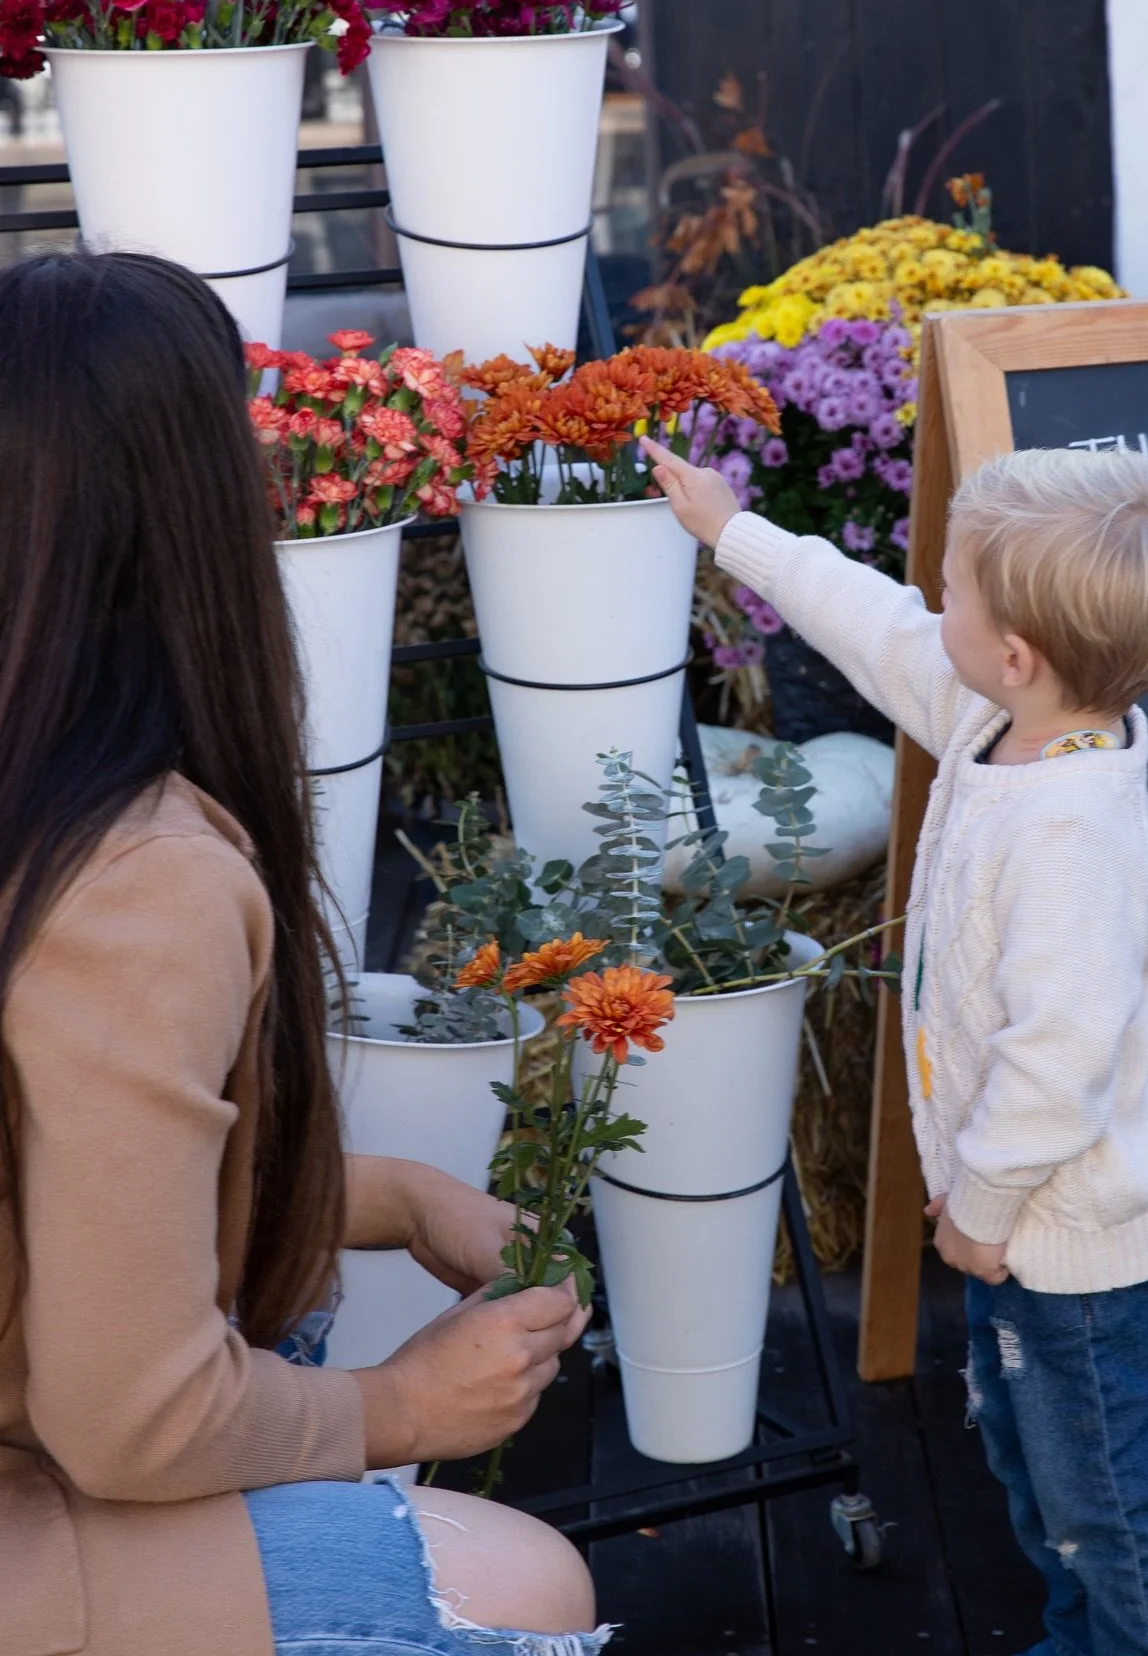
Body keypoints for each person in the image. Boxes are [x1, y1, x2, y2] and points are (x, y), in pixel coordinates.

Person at [0, 253, 605, 1656]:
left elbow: (58, 1175)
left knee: (306, 1310)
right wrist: (399, 1411)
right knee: (520, 1586)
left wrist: (376, 1195)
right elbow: (128, 1408)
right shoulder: (138, 882)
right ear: (203, 519)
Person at [643, 432, 1148, 1656]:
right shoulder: (995, 715)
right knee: (1044, 1479)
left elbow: (1056, 1060)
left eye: (952, 586)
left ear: (1016, 653)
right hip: (1035, 1234)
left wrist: (984, 1208)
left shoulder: (1069, 831)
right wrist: (730, 530)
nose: (932, 599)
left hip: (1077, 1249)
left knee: (1113, 1507)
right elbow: (873, 623)